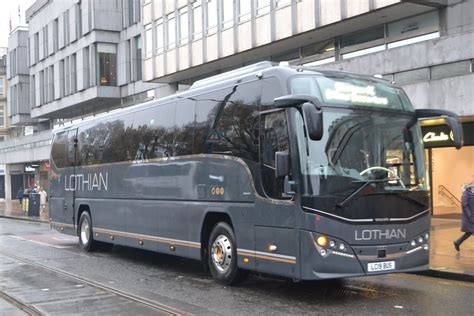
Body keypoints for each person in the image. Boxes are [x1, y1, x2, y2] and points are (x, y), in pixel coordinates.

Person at [454, 182, 474, 251]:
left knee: (470, 231)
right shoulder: (466, 193)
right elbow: (464, 205)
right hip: (469, 216)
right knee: (470, 231)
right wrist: (470, 215)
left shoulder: (472, 193)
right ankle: (457, 242)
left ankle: (458, 242)